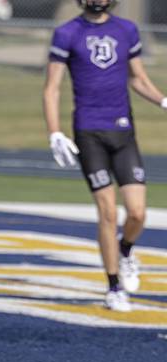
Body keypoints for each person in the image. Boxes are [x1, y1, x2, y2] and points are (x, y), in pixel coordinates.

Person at [43, 0, 167, 312]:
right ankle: (114, 287)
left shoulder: (126, 29)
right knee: (108, 212)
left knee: (137, 213)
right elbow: (52, 88)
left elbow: (137, 78)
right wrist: (55, 132)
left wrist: (164, 101)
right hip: (89, 133)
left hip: (123, 132)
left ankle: (126, 251)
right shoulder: (67, 32)